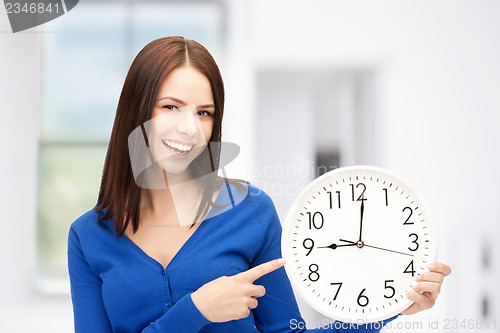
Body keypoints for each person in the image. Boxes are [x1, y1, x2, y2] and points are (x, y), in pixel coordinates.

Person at [67, 36, 451, 332]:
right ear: (137, 111)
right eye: (170, 106)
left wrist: (389, 308)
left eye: (204, 112)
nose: (189, 127)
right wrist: (195, 310)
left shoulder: (250, 211)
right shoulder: (88, 237)